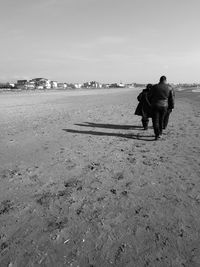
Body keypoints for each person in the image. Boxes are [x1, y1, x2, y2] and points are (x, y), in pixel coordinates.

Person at [149, 76, 174, 140]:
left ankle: (157, 134)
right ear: (165, 80)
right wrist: (171, 107)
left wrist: (151, 103)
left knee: (155, 121)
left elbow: (150, 96)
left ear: (159, 80)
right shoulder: (169, 87)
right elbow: (171, 98)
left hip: (155, 105)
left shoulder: (154, 87)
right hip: (164, 106)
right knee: (161, 120)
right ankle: (160, 133)